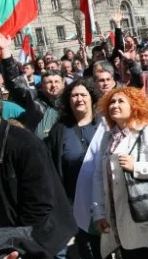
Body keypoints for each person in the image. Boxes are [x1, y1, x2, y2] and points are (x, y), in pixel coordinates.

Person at [0, 82, 76, 257]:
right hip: (5, 238)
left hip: (40, 242)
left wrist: (20, 245)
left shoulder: (24, 143)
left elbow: (39, 203)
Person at [92, 87, 148, 259]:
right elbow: (98, 177)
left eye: (121, 101)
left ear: (134, 105)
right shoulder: (107, 138)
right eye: (111, 101)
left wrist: (137, 167)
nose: (114, 105)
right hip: (124, 224)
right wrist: (99, 213)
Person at [46, 79, 101, 259]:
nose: (79, 99)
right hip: (76, 204)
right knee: (87, 250)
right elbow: (52, 168)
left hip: (106, 199)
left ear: (91, 98)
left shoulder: (105, 125)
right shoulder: (59, 130)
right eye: (74, 95)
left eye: (83, 94)